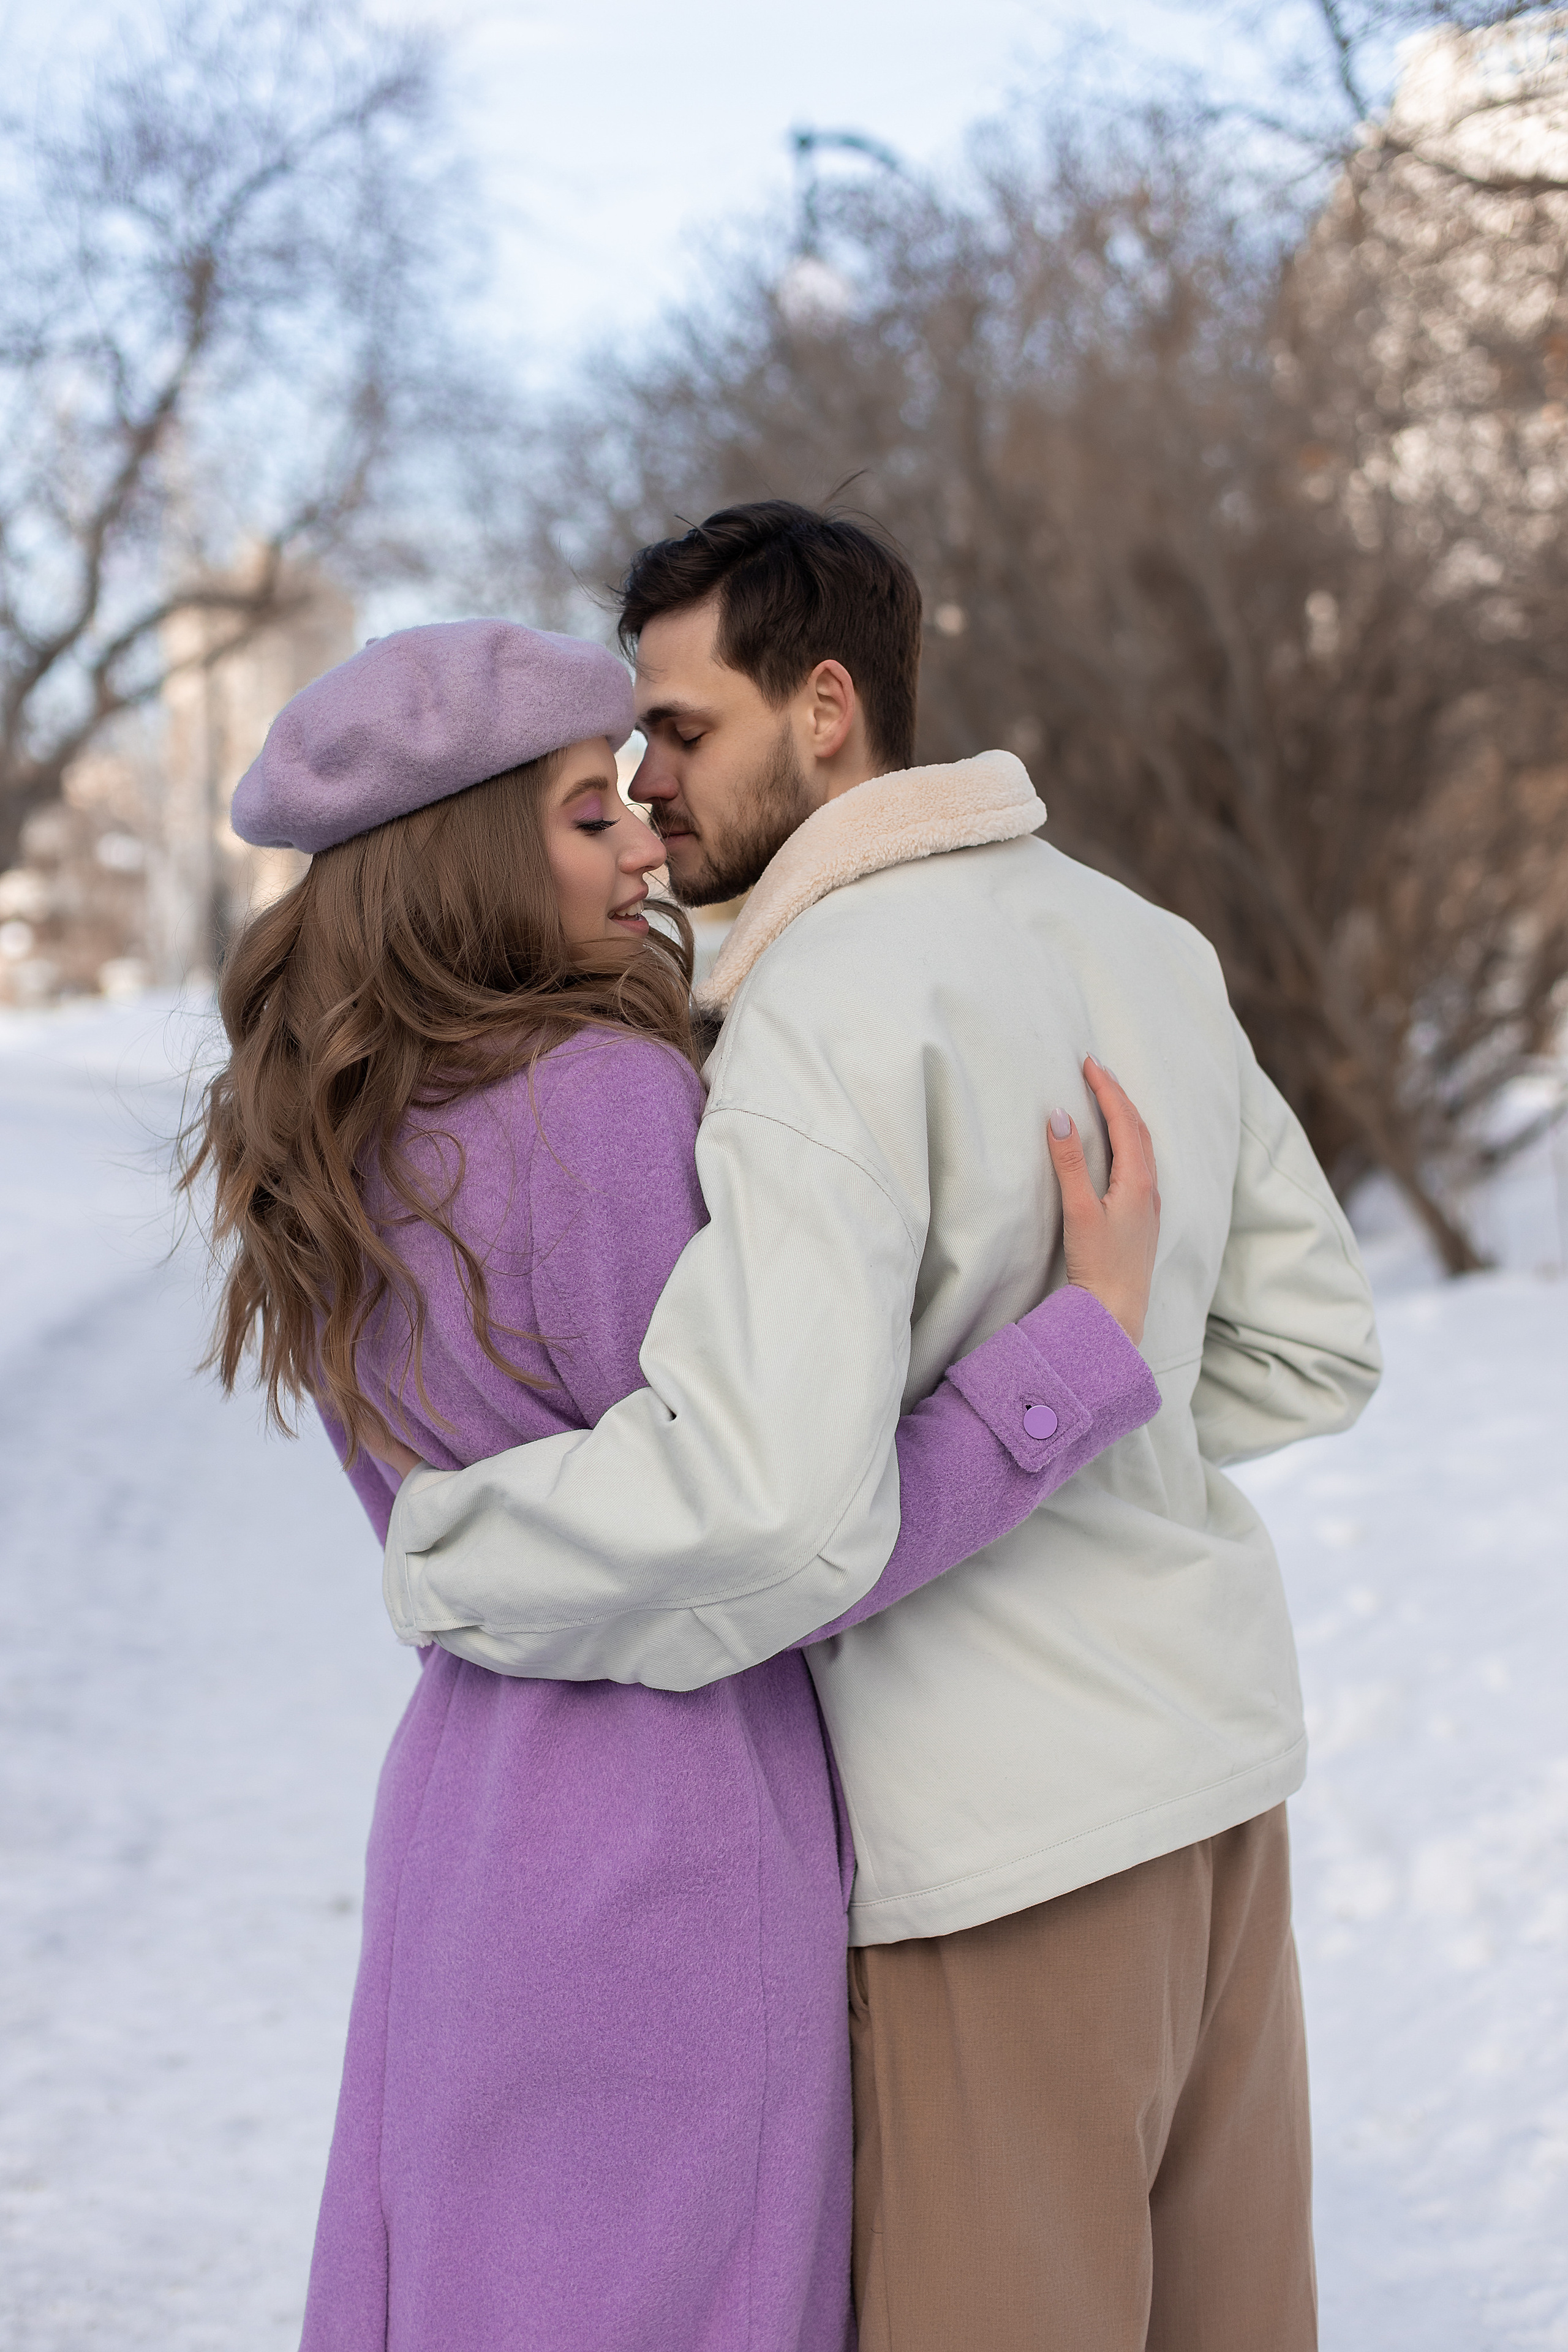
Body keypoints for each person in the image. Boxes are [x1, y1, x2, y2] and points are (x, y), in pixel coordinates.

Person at [381, 505, 1384, 2351]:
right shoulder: (1143, 939)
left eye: (680, 733)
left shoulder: (812, 1001)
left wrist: (465, 1546)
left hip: (995, 1850)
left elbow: (767, 1507)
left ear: (824, 706)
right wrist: (1097, 1409)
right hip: (1221, 1806)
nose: (650, 785)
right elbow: (1311, 1343)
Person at [186, 616, 1164, 2352]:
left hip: (466, 1819)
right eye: (586, 813)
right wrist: (1072, 1352)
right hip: (668, 1836)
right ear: (469, 852)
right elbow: (778, 1531)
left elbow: (516, 1532)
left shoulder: (331, 1139)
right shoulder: (599, 1099)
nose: (647, 829)